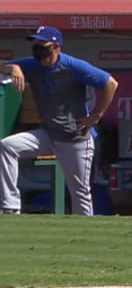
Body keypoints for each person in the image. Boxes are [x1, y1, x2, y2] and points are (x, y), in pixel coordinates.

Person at [0, 26, 119, 215]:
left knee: (79, 192)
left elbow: (110, 83)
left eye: (43, 43)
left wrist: (96, 116)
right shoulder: (32, 64)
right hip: (48, 134)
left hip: (75, 138)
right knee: (7, 146)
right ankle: (10, 206)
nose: (38, 47)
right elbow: (1, 65)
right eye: (36, 43)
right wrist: (12, 67)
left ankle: (84, 232)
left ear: (55, 46)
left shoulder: (72, 66)